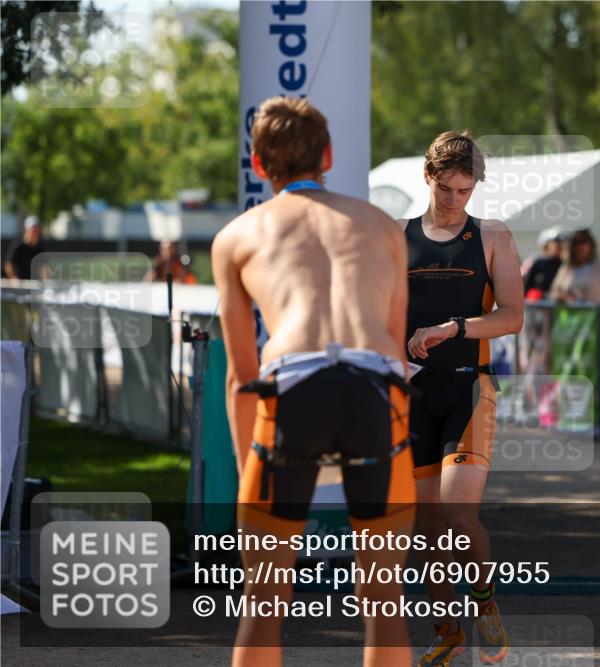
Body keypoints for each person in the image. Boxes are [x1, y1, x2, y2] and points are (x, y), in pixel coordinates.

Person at [211, 97, 415, 667]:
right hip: (374, 389)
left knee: (263, 602)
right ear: (328, 154)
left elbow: (241, 377)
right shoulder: (381, 227)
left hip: (292, 387)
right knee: (384, 601)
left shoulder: (235, 236)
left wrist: (252, 463)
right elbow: (396, 353)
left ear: (258, 164)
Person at [401, 130, 523, 666]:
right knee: (426, 527)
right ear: (427, 178)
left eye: (465, 192)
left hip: (469, 387)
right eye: (446, 189)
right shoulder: (396, 237)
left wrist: (453, 328)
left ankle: (485, 603)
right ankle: (447, 632)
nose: (454, 202)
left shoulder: (492, 235)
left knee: (456, 512)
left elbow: (512, 316)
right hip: (414, 396)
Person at [550, 228, 600, 307]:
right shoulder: (567, 268)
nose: (579, 246)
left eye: (583, 241)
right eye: (575, 242)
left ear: (591, 244)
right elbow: (555, 292)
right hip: (572, 316)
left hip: (599, 316)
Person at [523, 226, 563, 301]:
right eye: (556, 242)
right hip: (538, 307)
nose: (559, 245)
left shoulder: (565, 264)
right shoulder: (537, 263)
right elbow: (527, 286)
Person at [3, 216, 49, 280]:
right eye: (32, 228)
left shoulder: (41, 245)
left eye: (36, 229)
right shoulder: (18, 244)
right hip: (19, 284)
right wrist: (14, 279)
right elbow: (8, 264)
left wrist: (46, 278)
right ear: (26, 229)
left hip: (33, 283)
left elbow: (44, 266)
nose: (35, 231)